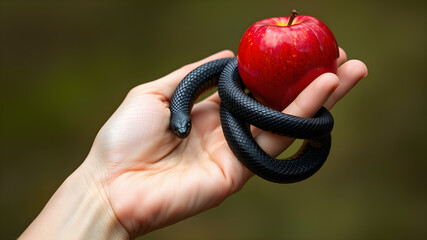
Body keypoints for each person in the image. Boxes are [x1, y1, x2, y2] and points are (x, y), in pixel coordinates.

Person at [19, 49, 367, 239]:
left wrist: (100, 200)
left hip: (241, 95)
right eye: (180, 127)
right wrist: (101, 197)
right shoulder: (191, 105)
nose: (181, 130)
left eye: (181, 126)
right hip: (235, 101)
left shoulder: (227, 82)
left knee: (302, 113)